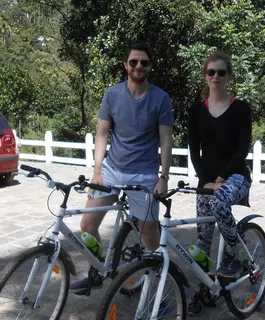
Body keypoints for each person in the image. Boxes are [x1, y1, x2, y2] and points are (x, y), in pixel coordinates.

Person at [69, 40, 173, 295]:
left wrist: (164, 177)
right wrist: (97, 171)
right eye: (134, 62)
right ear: (125, 65)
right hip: (112, 170)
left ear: (149, 66)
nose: (139, 66)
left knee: (150, 235)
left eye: (144, 62)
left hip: (145, 174)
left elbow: (166, 139)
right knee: (87, 225)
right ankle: (98, 271)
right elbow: (102, 133)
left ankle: (154, 284)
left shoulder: (161, 98)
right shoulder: (112, 94)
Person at [187, 50, 252, 315]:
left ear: (229, 76)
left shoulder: (241, 108)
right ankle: (202, 292)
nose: (216, 77)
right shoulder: (196, 110)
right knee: (202, 241)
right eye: (211, 72)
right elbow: (194, 150)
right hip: (207, 179)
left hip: (235, 176)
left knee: (221, 201)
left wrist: (221, 179)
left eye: (221, 72)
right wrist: (206, 181)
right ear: (205, 76)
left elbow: (242, 149)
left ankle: (233, 254)